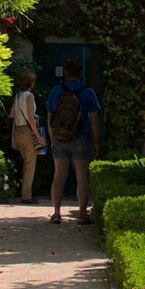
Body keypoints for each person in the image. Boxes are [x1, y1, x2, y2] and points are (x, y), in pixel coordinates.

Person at [46, 61, 103, 224]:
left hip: (60, 138)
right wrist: (95, 140)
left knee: (59, 175)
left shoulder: (56, 91)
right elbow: (94, 120)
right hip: (81, 138)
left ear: (65, 73)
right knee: (82, 177)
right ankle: (83, 213)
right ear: (80, 74)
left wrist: (52, 139)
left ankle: (56, 213)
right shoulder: (88, 93)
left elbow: (50, 117)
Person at [8, 71, 45, 204]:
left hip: (18, 131)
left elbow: (11, 114)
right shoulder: (30, 96)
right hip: (27, 131)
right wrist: (38, 136)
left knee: (26, 162)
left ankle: (25, 192)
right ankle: (26, 196)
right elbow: (30, 117)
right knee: (30, 164)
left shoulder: (17, 96)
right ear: (31, 83)